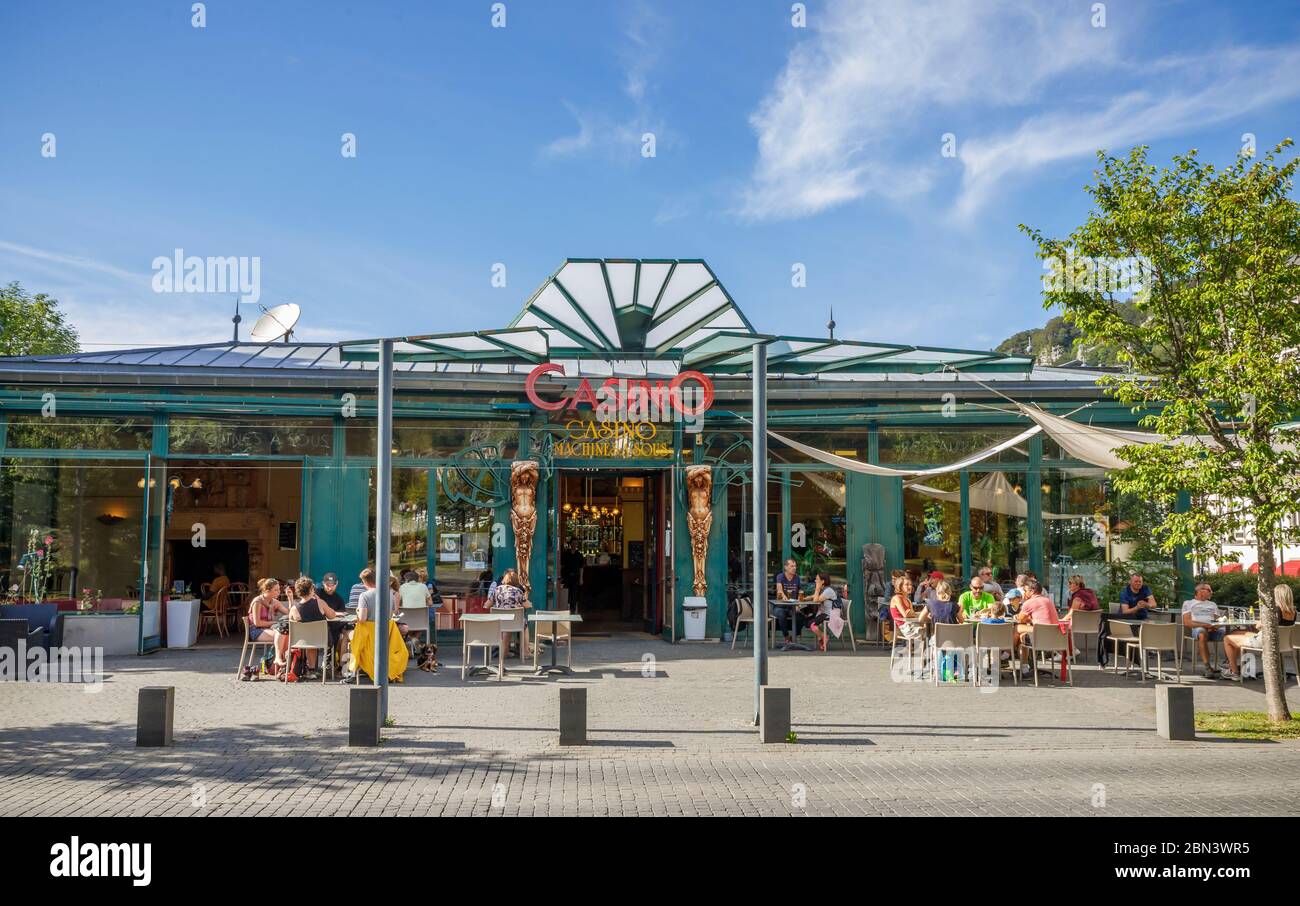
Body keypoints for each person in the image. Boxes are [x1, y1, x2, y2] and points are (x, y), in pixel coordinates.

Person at [1223, 584, 1297, 680]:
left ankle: (1234, 672)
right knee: (1237, 633)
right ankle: (1232, 665)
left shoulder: (1274, 610)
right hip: (1281, 643)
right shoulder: (1293, 612)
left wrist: (1260, 620)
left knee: (1227, 638)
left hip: (1265, 642)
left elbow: (1258, 626)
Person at [288, 575, 340, 675]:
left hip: (301, 641)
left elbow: (292, 621)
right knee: (314, 640)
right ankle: (312, 669)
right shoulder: (320, 603)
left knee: (309, 640)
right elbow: (332, 616)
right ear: (312, 589)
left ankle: (310, 671)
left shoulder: (294, 609)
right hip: (323, 639)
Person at [1015, 578, 1060, 677]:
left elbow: (1020, 619)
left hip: (1039, 638)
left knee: (1018, 630)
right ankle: (1024, 666)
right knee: (1022, 635)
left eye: (1026, 591)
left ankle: (1009, 653)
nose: (1025, 593)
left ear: (1032, 591)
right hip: (1056, 638)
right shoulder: (1048, 600)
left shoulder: (1029, 602)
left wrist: (1021, 617)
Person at [1181, 582, 1225, 678]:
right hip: (1197, 629)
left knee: (1230, 635)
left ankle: (1229, 665)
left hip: (1212, 630)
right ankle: (1207, 667)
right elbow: (1187, 622)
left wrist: (1215, 626)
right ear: (1200, 591)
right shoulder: (1188, 603)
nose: (1211, 592)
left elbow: (1218, 620)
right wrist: (1206, 626)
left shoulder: (1212, 604)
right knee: (1202, 633)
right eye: (1209, 590)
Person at [246, 578, 289, 666]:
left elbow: (289, 613)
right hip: (256, 630)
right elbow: (257, 623)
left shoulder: (274, 602)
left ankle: (284, 663)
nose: (279, 592)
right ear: (267, 590)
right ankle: (278, 659)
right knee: (282, 634)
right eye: (276, 590)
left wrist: (290, 599)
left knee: (286, 634)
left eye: (279, 589)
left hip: (268, 629)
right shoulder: (258, 602)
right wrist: (274, 623)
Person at [803, 572, 839, 651]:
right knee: (807, 621)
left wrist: (817, 588)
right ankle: (821, 638)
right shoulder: (824, 589)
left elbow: (816, 600)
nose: (815, 581)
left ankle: (823, 636)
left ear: (822, 581)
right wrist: (807, 598)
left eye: (817, 579)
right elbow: (814, 596)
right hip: (824, 613)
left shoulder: (828, 590)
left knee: (812, 624)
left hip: (830, 614)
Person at [774, 559, 803, 643]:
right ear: (785, 567)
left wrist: (798, 604)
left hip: (792, 606)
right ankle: (786, 636)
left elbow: (800, 591)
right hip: (781, 606)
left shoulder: (797, 577)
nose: (794, 568)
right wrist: (783, 596)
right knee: (781, 613)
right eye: (791, 566)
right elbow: (779, 589)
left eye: (795, 566)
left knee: (800, 616)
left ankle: (794, 636)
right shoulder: (780, 576)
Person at [890, 575, 925, 643]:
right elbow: (906, 615)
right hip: (905, 628)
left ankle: (915, 650)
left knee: (933, 631)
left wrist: (913, 613)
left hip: (912, 624)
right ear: (900, 586)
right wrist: (913, 613)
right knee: (929, 635)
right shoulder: (896, 598)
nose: (910, 587)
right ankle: (919, 652)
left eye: (911, 585)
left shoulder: (907, 600)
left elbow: (911, 613)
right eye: (907, 585)